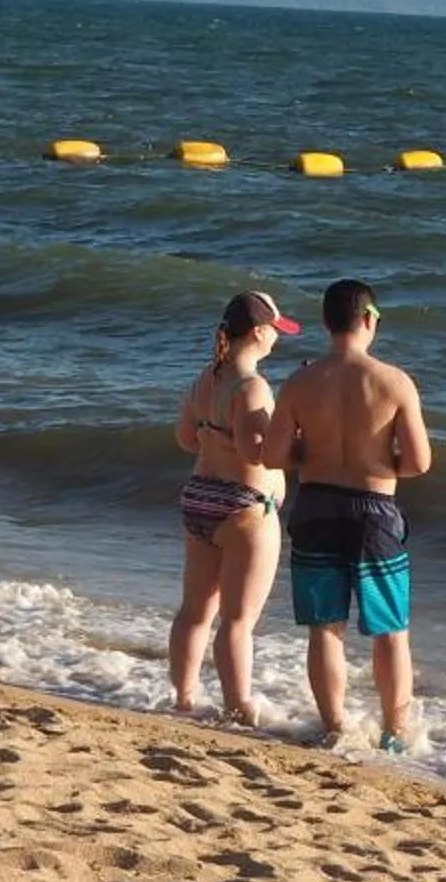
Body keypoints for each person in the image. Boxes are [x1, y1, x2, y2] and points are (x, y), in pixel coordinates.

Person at [268, 277, 432, 749]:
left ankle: (335, 726)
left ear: (325, 323)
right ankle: (394, 733)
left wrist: (315, 456)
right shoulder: (394, 381)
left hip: (317, 505)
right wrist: (380, 463)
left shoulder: (300, 381)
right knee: (390, 630)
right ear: (368, 320)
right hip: (374, 510)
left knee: (325, 626)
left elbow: (275, 456)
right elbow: (419, 463)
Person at [167, 289, 300, 725]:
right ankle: (237, 705)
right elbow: (257, 453)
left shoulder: (207, 377)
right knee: (238, 620)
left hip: (200, 496)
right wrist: (294, 436)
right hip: (244, 507)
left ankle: (184, 699)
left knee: (194, 611)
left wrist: (214, 435)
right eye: (276, 330)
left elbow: (186, 439)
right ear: (260, 333)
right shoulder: (253, 386)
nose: (279, 337)